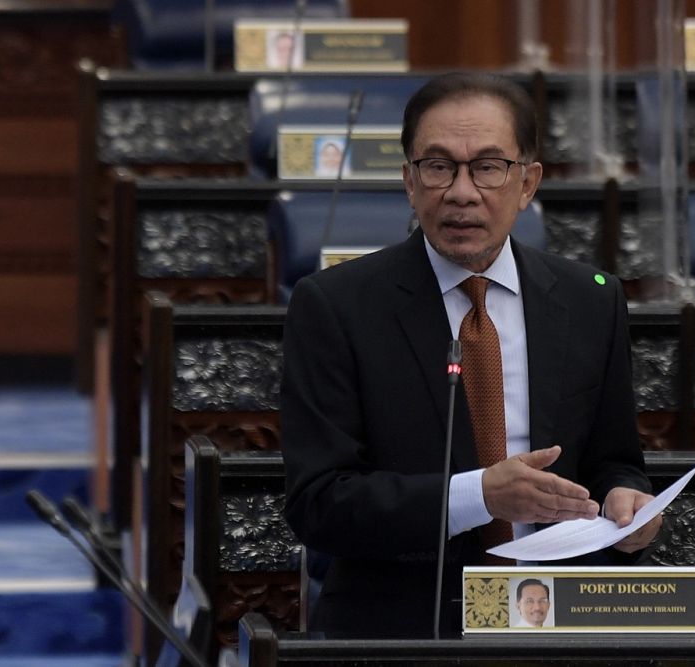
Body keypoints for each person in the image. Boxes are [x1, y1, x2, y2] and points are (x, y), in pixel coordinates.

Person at [281, 72, 660, 639]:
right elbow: (319, 504)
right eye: (438, 167)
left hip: (558, 613)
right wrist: (478, 496)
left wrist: (628, 503)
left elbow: (614, 459)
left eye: (487, 167)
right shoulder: (336, 306)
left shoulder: (590, 300)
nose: (462, 192)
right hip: (402, 620)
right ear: (409, 181)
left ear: (527, 183)